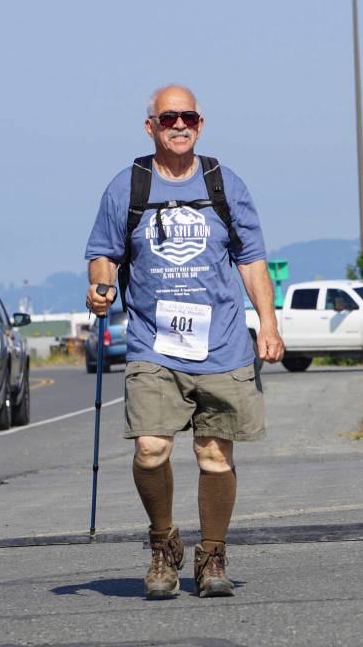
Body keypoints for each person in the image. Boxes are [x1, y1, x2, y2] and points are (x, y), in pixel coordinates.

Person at [85, 85, 283, 599]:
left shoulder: (225, 184)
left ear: (200, 124)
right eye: (168, 117)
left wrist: (269, 323)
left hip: (221, 345)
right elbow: (104, 253)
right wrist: (101, 284)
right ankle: (163, 545)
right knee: (151, 449)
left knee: (214, 453)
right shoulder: (126, 187)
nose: (179, 124)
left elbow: (252, 258)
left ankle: (212, 556)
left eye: (188, 117)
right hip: (154, 343)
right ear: (149, 126)